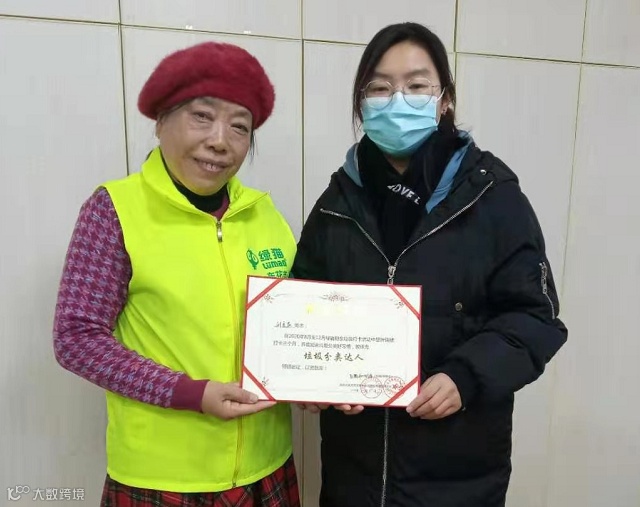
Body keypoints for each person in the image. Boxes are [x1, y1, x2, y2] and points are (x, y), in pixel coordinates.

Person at [293, 22, 568, 507]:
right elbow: (303, 304)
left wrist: (466, 377)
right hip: (353, 478)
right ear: (361, 103)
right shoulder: (337, 203)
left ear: (445, 101)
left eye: (417, 86)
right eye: (380, 88)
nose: (397, 100)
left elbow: (535, 317)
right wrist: (311, 378)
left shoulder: (491, 197)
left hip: (459, 477)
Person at [53, 41, 300, 507]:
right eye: (202, 116)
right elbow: (76, 338)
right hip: (162, 476)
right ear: (161, 121)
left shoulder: (265, 216)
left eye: (240, 126)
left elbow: (298, 328)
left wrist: (323, 379)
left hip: (266, 464)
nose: (220, 141)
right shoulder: (114, 210)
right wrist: (189, 393)